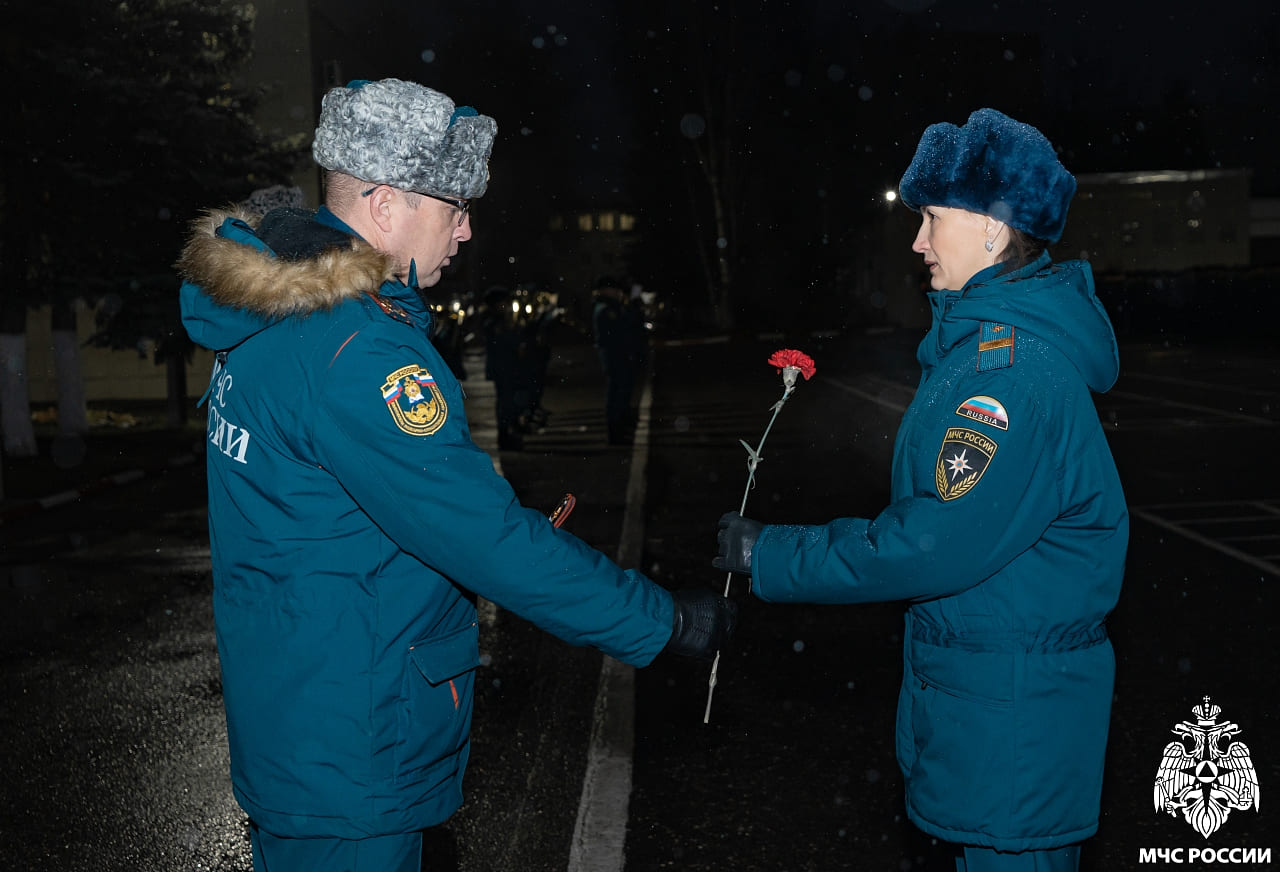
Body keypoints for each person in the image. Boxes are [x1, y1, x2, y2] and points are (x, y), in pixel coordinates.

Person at [176, 77, 736, 872]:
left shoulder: (271, 318)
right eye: (454, 208)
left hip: (298, 718)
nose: (467, 230)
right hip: (356, 745)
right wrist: (666, 622)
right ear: (385, 205)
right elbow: (488, 541)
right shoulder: (359, 349)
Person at [714, 108, 1127, 872]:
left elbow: (931, 543)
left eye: (933, 217)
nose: (918, 241)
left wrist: (775, 554)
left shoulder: (1012, 377)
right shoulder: (981, 354)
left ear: (993, 229)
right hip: (990, 716)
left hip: (1011, 738)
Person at [591, 275, 645, 444]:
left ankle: (620, 427)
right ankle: (615, 432)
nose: (617, 292)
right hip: (614, 355)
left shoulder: (611, 306)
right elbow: (624, 326)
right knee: (617, 393)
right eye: (613, 289)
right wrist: (633, 306)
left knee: (621, 390)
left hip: (618, 354)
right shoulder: (606, 309)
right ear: (605, 290)